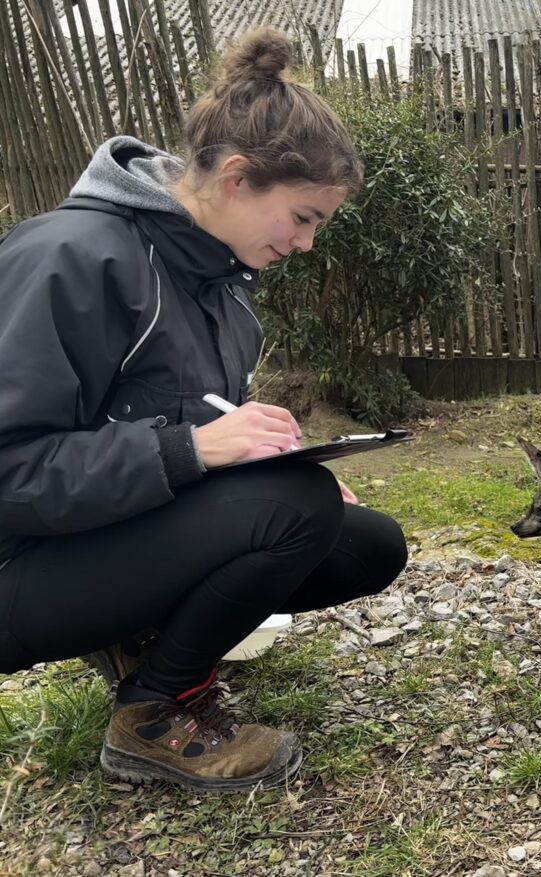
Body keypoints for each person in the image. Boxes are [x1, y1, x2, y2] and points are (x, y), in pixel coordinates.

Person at [0, 28, 408, 793]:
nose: (308, 244)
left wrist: (276, 465)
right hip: (17, 567)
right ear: (236, 176)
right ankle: (154, 714)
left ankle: (141, 638)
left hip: (97, 536)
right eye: (304, 217)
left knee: (367, 543)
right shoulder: (71, 257)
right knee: (296, 509)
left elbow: (195, 430)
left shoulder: (224, 294)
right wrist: (192, 451)